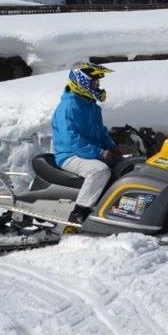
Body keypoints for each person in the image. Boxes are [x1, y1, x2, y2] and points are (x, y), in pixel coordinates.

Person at [53, 63, 118, 228]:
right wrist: (100, 153)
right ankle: (79, 212)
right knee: (99, 171)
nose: (98, 86)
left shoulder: (91, 106)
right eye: (95, 83)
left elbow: (100, 132)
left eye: (98, 83)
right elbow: (71, 139)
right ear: (82, 82)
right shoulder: (69, 106)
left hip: (86, 152)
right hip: (69, 155)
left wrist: (112, 147)